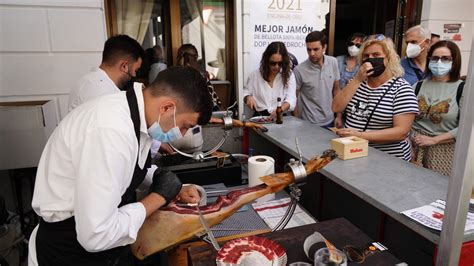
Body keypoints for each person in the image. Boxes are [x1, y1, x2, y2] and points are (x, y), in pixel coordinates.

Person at [28, 67, 213, 265]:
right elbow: (96, 234)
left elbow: (122, 168)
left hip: (99, 246)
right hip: (69, 249)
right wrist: (159, 197)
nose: (182, 134)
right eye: (184, 125)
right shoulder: (111, 130)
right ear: (167, 108)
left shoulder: (133, 116)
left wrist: (168, 183)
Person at [332, 34, 419, 161]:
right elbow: (336, 107)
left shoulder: (401, 89)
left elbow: (401, 132)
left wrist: (360, 135)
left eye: (376, 55)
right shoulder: (356, 83)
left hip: (388, 159)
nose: (370, 59)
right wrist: (357, 80)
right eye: (366, 56)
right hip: (355, 154)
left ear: (388, 58)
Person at [411, 40, 463, 176]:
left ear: (454, 61)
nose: (439, 62)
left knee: (438, 192)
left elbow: (467, 127)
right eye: (435, 58)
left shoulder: (462, 89)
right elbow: (406, 116)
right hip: (414, 148)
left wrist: (434, 140)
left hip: (445, 152)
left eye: (445, 58)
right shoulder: (417, 86)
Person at [68, 35, 144, 111]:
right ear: (124, 66)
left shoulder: (92, 81)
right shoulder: (103, 93)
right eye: (135, 70)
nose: (134, 75)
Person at [294, 31, 342, 128]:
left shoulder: (333, 62)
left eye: (316, 49)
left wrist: (339, 116)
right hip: (308, 123)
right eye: (309, 49)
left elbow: (336, 90)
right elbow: (294, 97)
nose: (312, 53)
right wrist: (296, 121)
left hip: (330, 120)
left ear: (324, 47)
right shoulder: (299, 70)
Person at [243, 41, 297, 118]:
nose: (276, 67)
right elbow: (245, 92)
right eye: (273, 63)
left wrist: (280, 109)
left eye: (280, 63)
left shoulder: (288, 75)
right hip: (260, 117)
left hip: (280, 116)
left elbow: (291, 98)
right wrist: (248, 97)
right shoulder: (255, 75)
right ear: (266, 60)